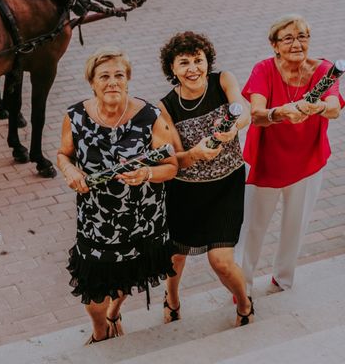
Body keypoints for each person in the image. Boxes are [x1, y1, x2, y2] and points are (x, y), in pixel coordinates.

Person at [57, 47, 178, 344]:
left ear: (128, 79)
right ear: (92, 82)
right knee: (93, 292)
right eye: (104, 76)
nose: (112, 82)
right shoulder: (75, 116)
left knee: (128, 276)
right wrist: (70, 171)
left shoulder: (150, 115)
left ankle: (115, 312)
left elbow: (171, 166)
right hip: (96, 221)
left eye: (119, 75)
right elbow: (63, 154)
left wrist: (147, 174)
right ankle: (101, 332)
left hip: (142, 220)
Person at [235, 15, 344, 296]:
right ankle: (241, 287)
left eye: (302, 36)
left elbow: (334, 106)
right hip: (266, 163)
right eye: (288, 38)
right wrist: (281, 112)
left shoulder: (324, 69)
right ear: (275, 45)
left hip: (308, 161)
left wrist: (315, 107)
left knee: (296, 225)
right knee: (251, 229)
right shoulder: (263, 69)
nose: (297, 43)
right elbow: (257, 115)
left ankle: (283, 280)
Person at [158, 32, 253, 327]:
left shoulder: (222, 80)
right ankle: (172, 298)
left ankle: (244, 303)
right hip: (186, 193)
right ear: (172, 69)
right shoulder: (165, 107)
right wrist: (196, 154)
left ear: (207, 61)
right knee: (175, 258)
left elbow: (245, 110)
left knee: (221, 261)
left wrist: (233, 127)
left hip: (226, 186)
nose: (193, 68)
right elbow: (176, 159)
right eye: (183, 62)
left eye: (198, 60)